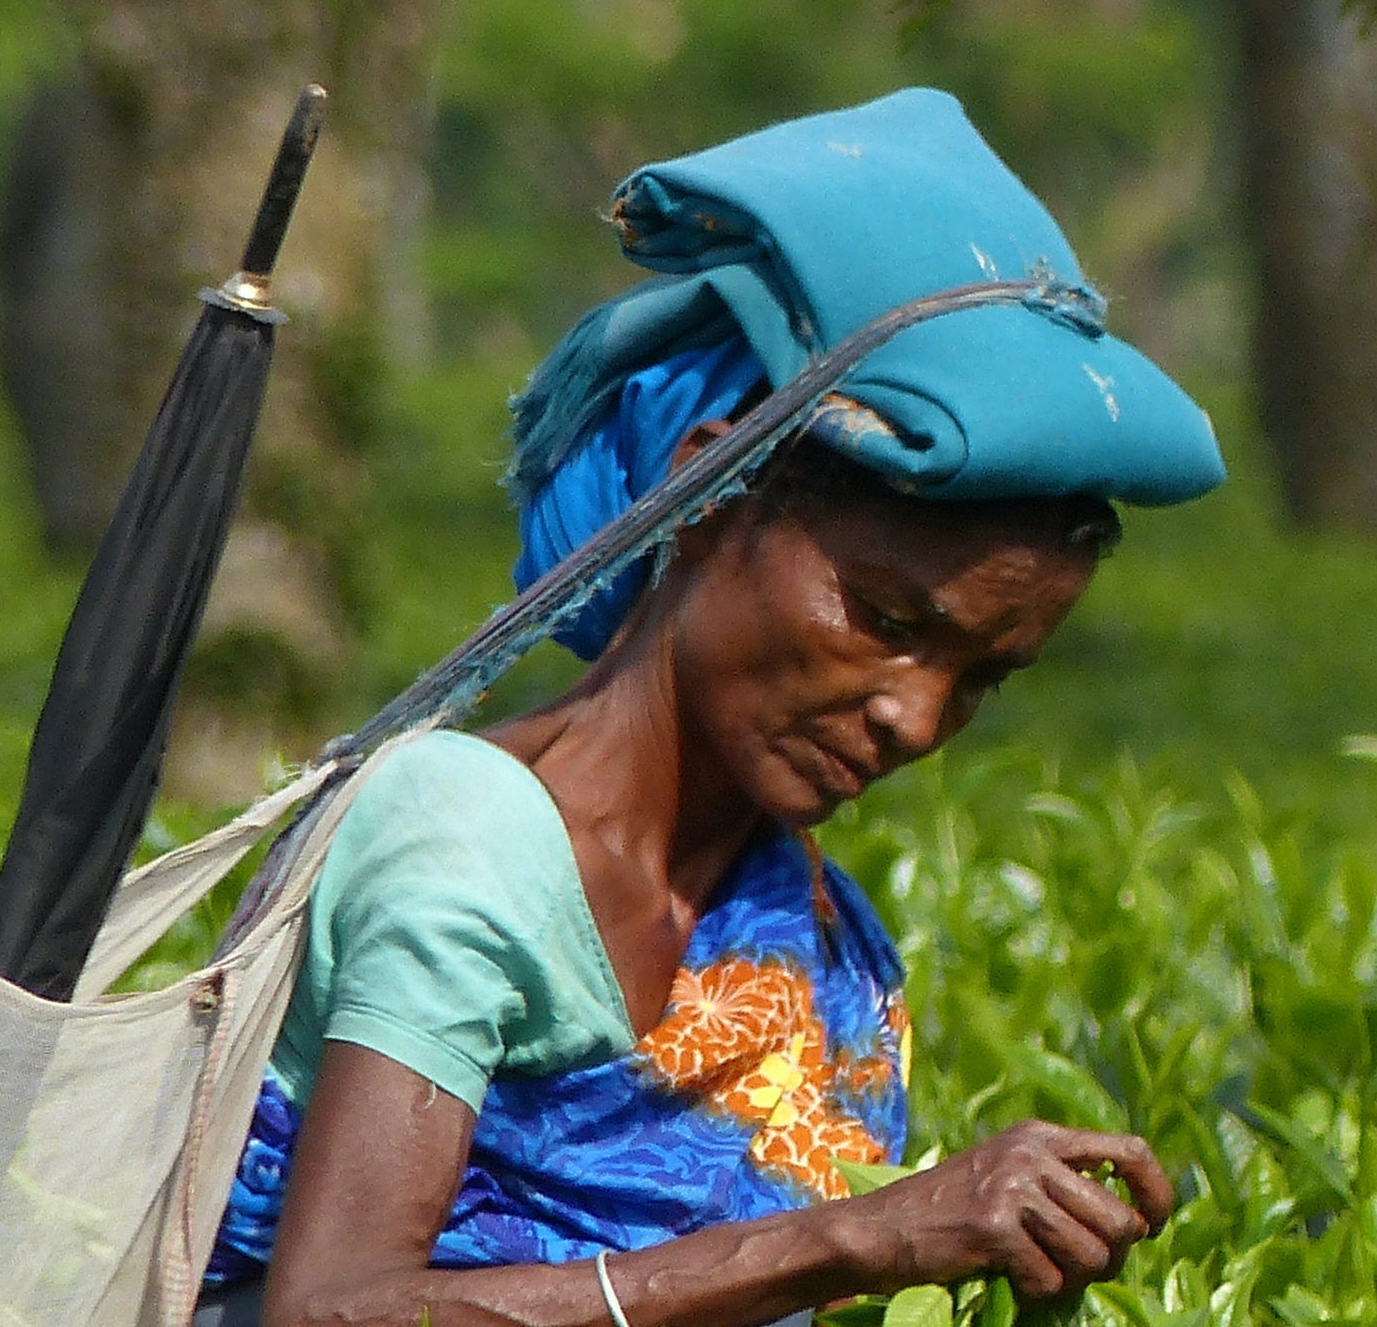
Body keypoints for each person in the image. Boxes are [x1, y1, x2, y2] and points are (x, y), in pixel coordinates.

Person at [194, 88, 1225, 1327]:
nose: (916, 719)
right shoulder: (468, 831)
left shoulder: (813, 937)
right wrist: (856, 1239)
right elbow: (332, 1309)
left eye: (982, 678)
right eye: (890, 624)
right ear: (707, 494)